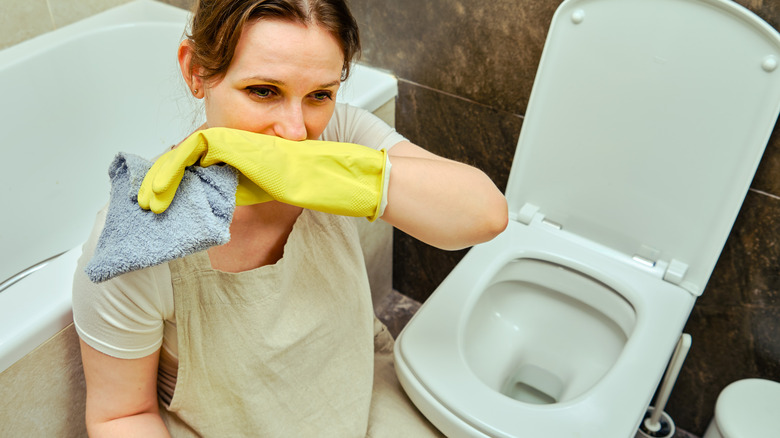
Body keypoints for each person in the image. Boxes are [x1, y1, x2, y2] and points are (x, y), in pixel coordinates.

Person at [72, 0, 508, 436]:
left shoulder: (337, 136)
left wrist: (306, 172)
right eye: (263, 91)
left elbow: (484, 216)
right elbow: (122, 415)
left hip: (356, 396)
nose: (296, 132)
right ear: (195, 71)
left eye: (320, 94)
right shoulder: (138, 236)